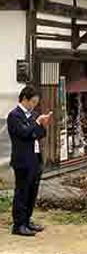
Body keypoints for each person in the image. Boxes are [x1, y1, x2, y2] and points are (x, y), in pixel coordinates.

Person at [7, 86, 52, 236]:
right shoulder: (14, 115)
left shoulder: (32, 115)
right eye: (32, 102)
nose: (34, 105)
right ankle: (18, 224)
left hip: (35, 157)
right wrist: (36, 123)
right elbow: (24, 133)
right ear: (24, 99)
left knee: (32, 191)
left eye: (36, 102)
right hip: (22, 160)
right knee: (22, 192)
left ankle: (27, 220)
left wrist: (42, 125)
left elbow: (39, 134)